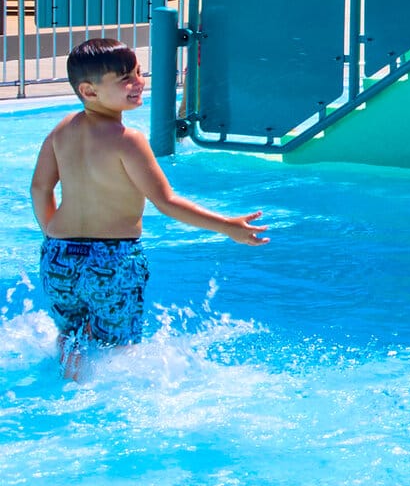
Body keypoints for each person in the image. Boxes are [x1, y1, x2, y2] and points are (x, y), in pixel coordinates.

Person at [33, 38, 269, 380]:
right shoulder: (128, 140)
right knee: (118, 349)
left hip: (58, 257)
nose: (138, 82)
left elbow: (40, 189)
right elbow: (166, 201)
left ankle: (69, 385)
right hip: (112, 259)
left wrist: (52, 236)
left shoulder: (62, 129)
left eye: (138, 73)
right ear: (89, 91)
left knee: (71, 336)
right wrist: (226, 225)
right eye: (125, 79)